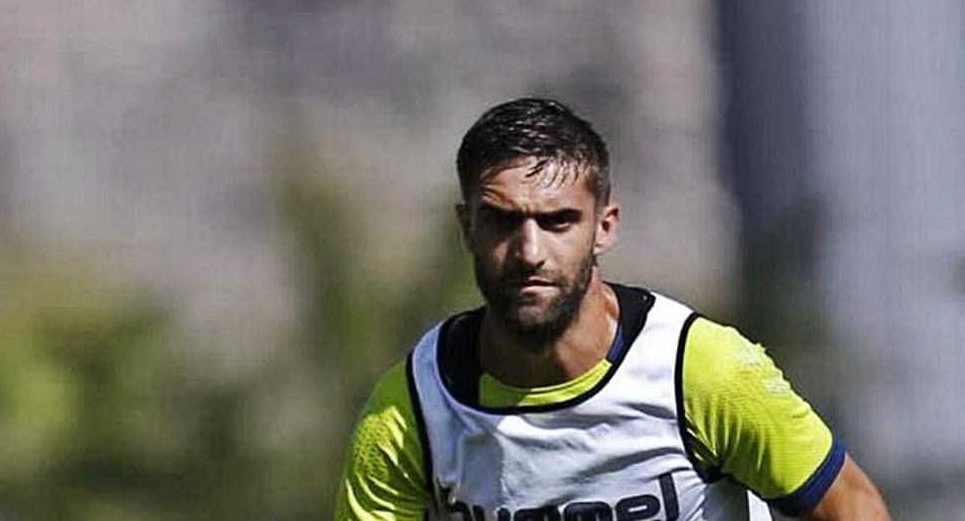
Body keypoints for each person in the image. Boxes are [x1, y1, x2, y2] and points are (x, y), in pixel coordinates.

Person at [335, 98, 891, 520]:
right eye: (503, 221)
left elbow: (853, 507)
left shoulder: (700, 371)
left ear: (604, 227)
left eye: (558, 222)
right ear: (467, 229)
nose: (530, 252)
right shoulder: (411, 411)